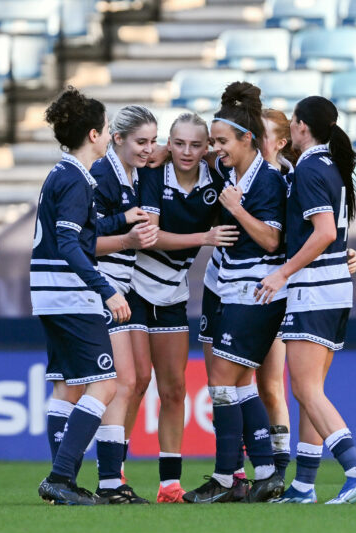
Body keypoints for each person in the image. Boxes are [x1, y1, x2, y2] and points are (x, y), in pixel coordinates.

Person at [257, 96, 356, 505]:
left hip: (314, 290)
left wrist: (282, 272)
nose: (290, 127)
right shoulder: (330, 165)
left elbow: (324, 231)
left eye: (293, 121)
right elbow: (334, 234)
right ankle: (304, 485)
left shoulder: (310, 166)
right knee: (312, 391)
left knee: (306, 390)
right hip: (334, 288)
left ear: (303, 126)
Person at [121, 112, 238, 502]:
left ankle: (169, 483)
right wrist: (204, 236)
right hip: (135, 287)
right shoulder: (154, 175)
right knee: (136, 382)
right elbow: (149, 237)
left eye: (196, 145)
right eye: (179, 143)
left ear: (206, 149)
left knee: (174, 390)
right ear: (168, 144)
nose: (187, 151)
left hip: (173, 293)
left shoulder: (216, 179)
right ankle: (113, 474)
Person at [183, 82, 288, 504]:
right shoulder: (228, 169)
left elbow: (271, 242)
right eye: (214, 142)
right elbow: (199, 156)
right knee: (234, 384)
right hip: (223, 286)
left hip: (255, 291)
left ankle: (228, 478)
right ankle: (263, 472)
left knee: (228, 384)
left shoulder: (270, 181)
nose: (216, 149)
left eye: (222, 141)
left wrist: (236, 209)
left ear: (248, 139)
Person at [32, 87, 131, 506]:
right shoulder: (75, 179)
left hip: (47, 293)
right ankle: (60, 477)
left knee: (68, 388)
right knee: (106, 385)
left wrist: (121, 222)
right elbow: (70, 243)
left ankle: (64, 484)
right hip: (70, 295)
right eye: (107, 130)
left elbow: (78, 232)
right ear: (93, 134)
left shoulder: (62, 174)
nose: (109, 137)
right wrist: (105, 288)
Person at [68, 105, 160, 504]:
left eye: (154, 142)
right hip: (103, 288)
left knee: (137, 379)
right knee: (120, 383)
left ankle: (110, 473)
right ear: (116, 138)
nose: (149, 149)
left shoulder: (133, 173)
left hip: (123, 287)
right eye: (141, 141)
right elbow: (86, 243)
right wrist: (128, 240)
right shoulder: (102, 175)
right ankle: (110, 480)